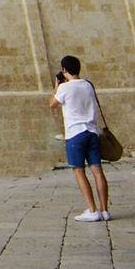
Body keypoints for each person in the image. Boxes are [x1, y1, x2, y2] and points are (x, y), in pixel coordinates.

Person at [49, 55, 110, 222]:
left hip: (75, 133)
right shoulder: (88, 85)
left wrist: (57, 87)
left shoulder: (65, 88)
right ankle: (105, 210)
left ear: (64, 70)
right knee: (97, 171)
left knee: (79, 171)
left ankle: (92, 210)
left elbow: (52, 104)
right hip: (92, 131)